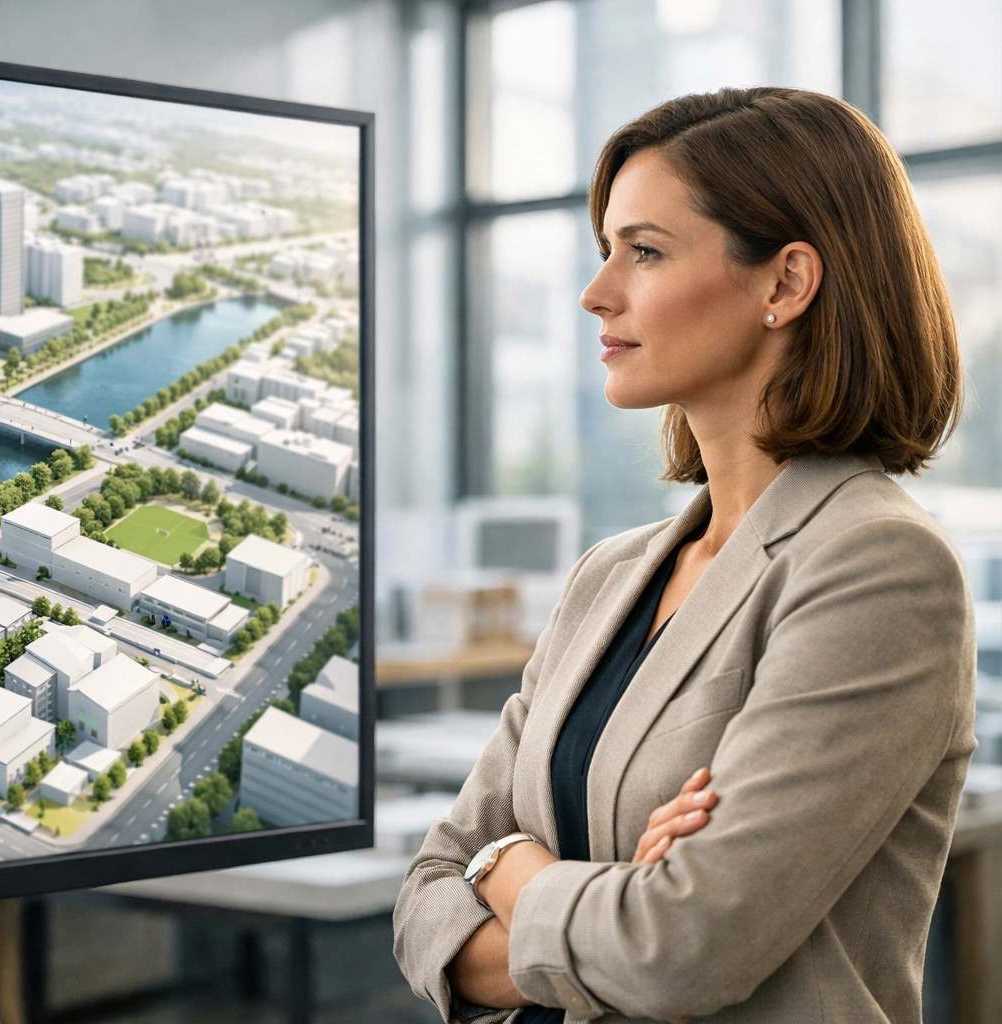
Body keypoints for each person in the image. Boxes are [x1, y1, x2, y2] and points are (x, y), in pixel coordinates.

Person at [393, 87, 975, 1023]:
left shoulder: (878, 564)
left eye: (646, 251)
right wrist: (614, 895)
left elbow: (680, 951)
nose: (596, 293)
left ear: (784, 285)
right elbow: (425, 895)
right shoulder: (610, 576)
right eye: (606, 248)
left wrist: (507, 867)